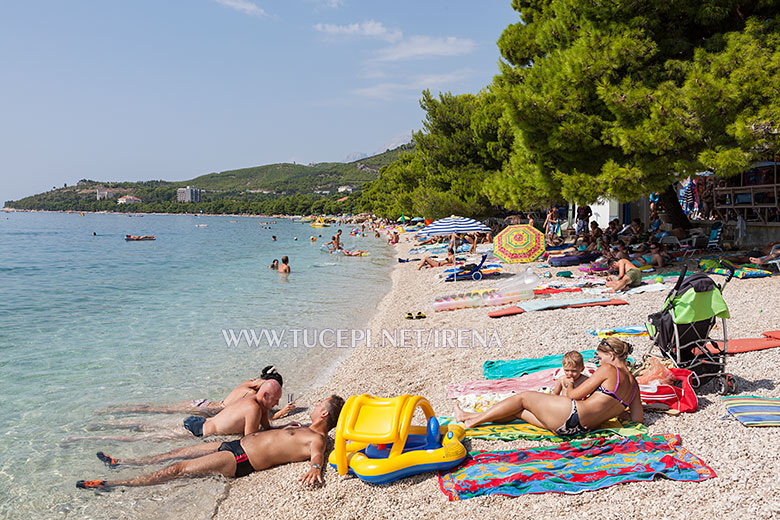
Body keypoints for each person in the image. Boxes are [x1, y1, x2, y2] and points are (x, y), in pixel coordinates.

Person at [77, 396, 345, 490]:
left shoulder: (317, 437)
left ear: (324, 413)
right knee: (177, 451)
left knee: (177, 468)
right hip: (234, 445)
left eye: (321, 404)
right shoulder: (303, 427)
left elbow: (316, 454)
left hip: (239, 460)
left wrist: (315, 468)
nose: (317, 404)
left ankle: (114, 484)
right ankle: (122, 463)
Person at [454, 338, 642, 434]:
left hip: (571, 413)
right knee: (519, 411)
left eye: (600, 358)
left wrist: (568, 384)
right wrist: (612, 408)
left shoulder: (609, 369)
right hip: (578, 429)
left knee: (523, 397)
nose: (599, 363)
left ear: (611, 356)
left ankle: (473, 422)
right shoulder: (634, 386)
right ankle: (469, 416)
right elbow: (636, 419)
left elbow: (572, 396)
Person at [104, 366, 295, 419]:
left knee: (157, 409)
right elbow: (267, 418)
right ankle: (118, 412)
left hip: (203, 402)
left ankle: (117, 408)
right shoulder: (253, 398)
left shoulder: (248, 384)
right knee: (159, 411)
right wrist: (283, 411)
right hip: (208, 411)